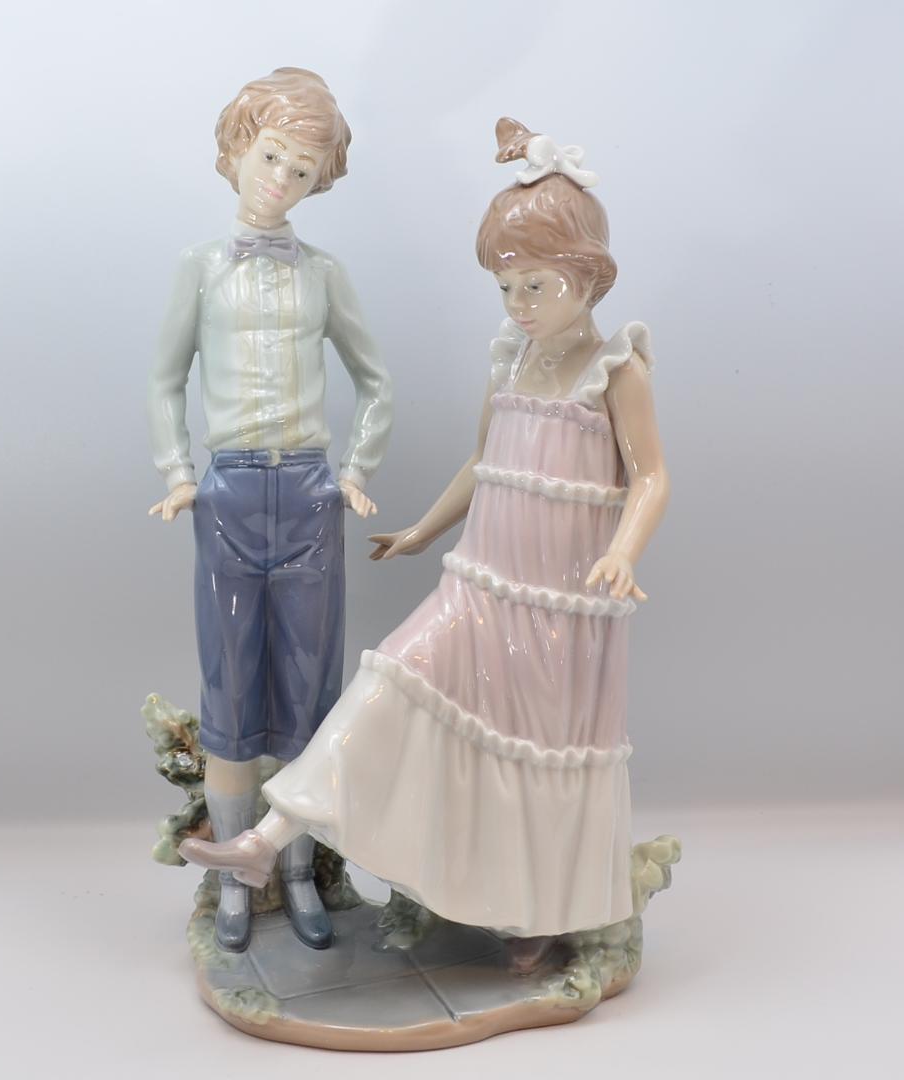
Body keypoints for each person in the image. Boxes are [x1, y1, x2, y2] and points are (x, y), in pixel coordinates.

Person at [179, 116, 669, 974]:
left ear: (589, 276)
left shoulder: (614, 368)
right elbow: (482, 462)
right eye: (506, 288)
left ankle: (536, 909)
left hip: (561, 601)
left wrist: (623, 550)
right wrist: (420, 531)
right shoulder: (509, 361)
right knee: (388, 683)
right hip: (480, 583)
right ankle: (264, 841)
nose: (519, 306)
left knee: (536, 751)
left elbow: (652, 476)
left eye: (536, 286)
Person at [147, 68, 392, 953]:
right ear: (237, 152)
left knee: (306, 689)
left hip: (309, 493)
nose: (280, 180)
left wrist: (355, 469)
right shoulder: (200, 267)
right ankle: (233, 875)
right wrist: (181, 472)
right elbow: (164, 379)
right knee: (229, 689)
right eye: (271, 157)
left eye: (300, 170)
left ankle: (294, 869)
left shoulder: (323, 274)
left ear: (318, 181)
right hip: (230, 493)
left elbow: (375, 380)